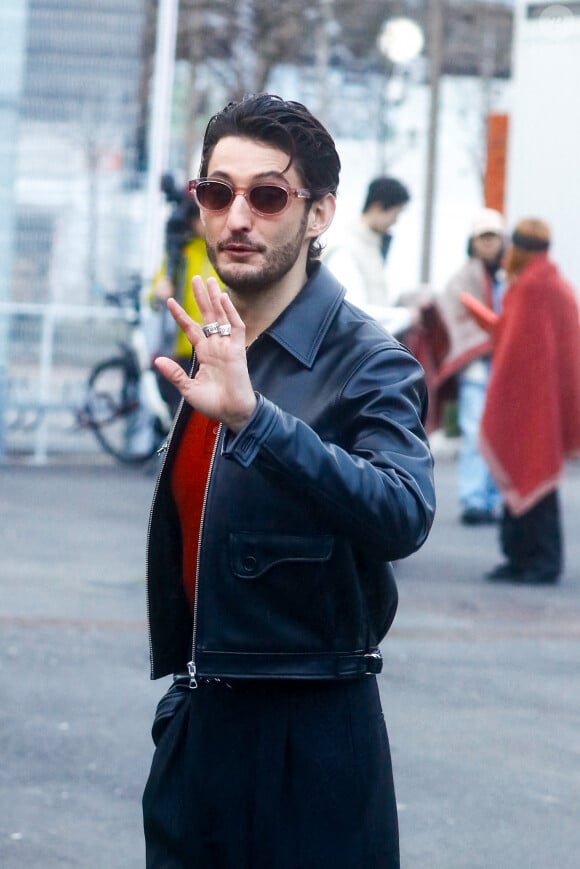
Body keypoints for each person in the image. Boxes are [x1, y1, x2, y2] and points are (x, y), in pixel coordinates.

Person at [142, 93, 435, 868]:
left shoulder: (368, 360)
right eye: (217, 192)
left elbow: (405, 510)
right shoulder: (219, 343)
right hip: (200, 731)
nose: (237, 216)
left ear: (319, 213)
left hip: (312, 743)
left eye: (267, 195)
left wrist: (258, 420)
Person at [480, 218, 580, 585]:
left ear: (518, 249)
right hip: (541, 400)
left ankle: (537, 561)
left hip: (531, 402)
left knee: (530, 472)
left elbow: (524, 355)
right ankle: (524, 559)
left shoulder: (534, 288)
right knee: (534, 478)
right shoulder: (551, 283)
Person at [435, 208, 506, 525]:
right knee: (476, 431)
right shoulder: (462, 278)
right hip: (476, 367)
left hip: (506, 368)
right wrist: (488, 337)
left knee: (502, 434)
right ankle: (474, 499)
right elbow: (454, 320)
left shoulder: (507, 276)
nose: (489, 244)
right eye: (483, 237)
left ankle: (495, 498)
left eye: (494, 237)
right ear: (473, 241)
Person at [149, 191, 223, 410]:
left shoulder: (222, 253)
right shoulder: (182, 254)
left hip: (215, 346)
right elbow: (154, 293)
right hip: (182, 346)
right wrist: (159, 291)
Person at [323, 175, 410, 308]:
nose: (395, 221)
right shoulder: (345, 247)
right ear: (377, 207)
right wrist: (406, 316)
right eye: (395, 214)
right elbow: (354, 308)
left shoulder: (371, 245)